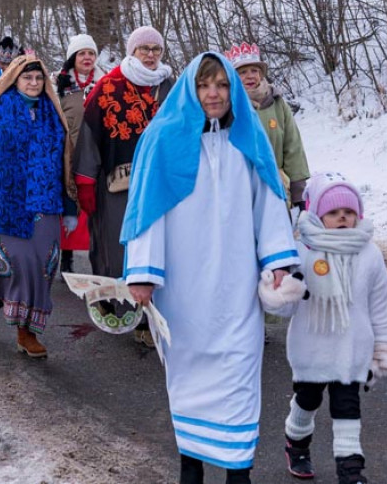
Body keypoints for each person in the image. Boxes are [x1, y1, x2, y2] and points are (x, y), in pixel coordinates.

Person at [122, 52, 301, 484]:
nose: (214, 93)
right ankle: (191, 470)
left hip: (237, 290)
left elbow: (271, 205)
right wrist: (143, 274)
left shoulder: (249, 137)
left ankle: (239, 472)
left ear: (233, 90)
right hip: (184, 294)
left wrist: (278, 262)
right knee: (189, 382)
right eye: (205, 85)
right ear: (191, 89)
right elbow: (147, 212)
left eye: (222, 85)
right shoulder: (163, 140)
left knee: (241, 374)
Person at [261, 172, 387, 484]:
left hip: (352, 351)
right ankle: (296, 444)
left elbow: (380, 306)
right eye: (333, 213)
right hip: (311, 348)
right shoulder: (302, 251)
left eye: (349, 212)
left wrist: (385, 347)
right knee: (307, 402)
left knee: (347, 410)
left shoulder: (370, 254)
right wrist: (279, 293)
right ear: (318, 214)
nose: (342, 219)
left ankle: (351, 473)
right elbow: (285, 306)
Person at [0, 54, 78, 358]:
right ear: (13, 80)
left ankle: (26, 330)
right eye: (27, 79)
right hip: (1, 202)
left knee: (42, 265)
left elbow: (65, 165)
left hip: (44, 204)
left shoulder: (53, 118)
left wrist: (70, 207)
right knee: (7, 261)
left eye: (38, 79)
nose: (33, 84)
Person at [73, 25, 174, 347]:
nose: (150, 55)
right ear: (132, 51)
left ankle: (153, 315)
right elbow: (89, 137)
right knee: (117, 247)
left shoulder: (172, 87)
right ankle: (116, 303)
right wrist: (86, 183)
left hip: (162, 183)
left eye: (155, 49)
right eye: (143, 49)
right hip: (119, 185)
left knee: (161, 247)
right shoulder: (107, 87)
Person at [227, 42, 310, 207]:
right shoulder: (228, 107)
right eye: (242, 72)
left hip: (277, 188)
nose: (250, 76)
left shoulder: (277, 103)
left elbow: (293, 147)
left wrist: (298, 192)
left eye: (254, 71)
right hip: (240, 191)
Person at [55, 33, 105, 276]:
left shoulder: (105, 83)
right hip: (68, 154)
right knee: (69, 205)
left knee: (95, 207)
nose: (87, 58)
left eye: (91, 53)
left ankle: (98, 257)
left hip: (97, 155)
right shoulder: (59, 85)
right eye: (82, 53)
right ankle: (66, 259)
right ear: (72, 57)